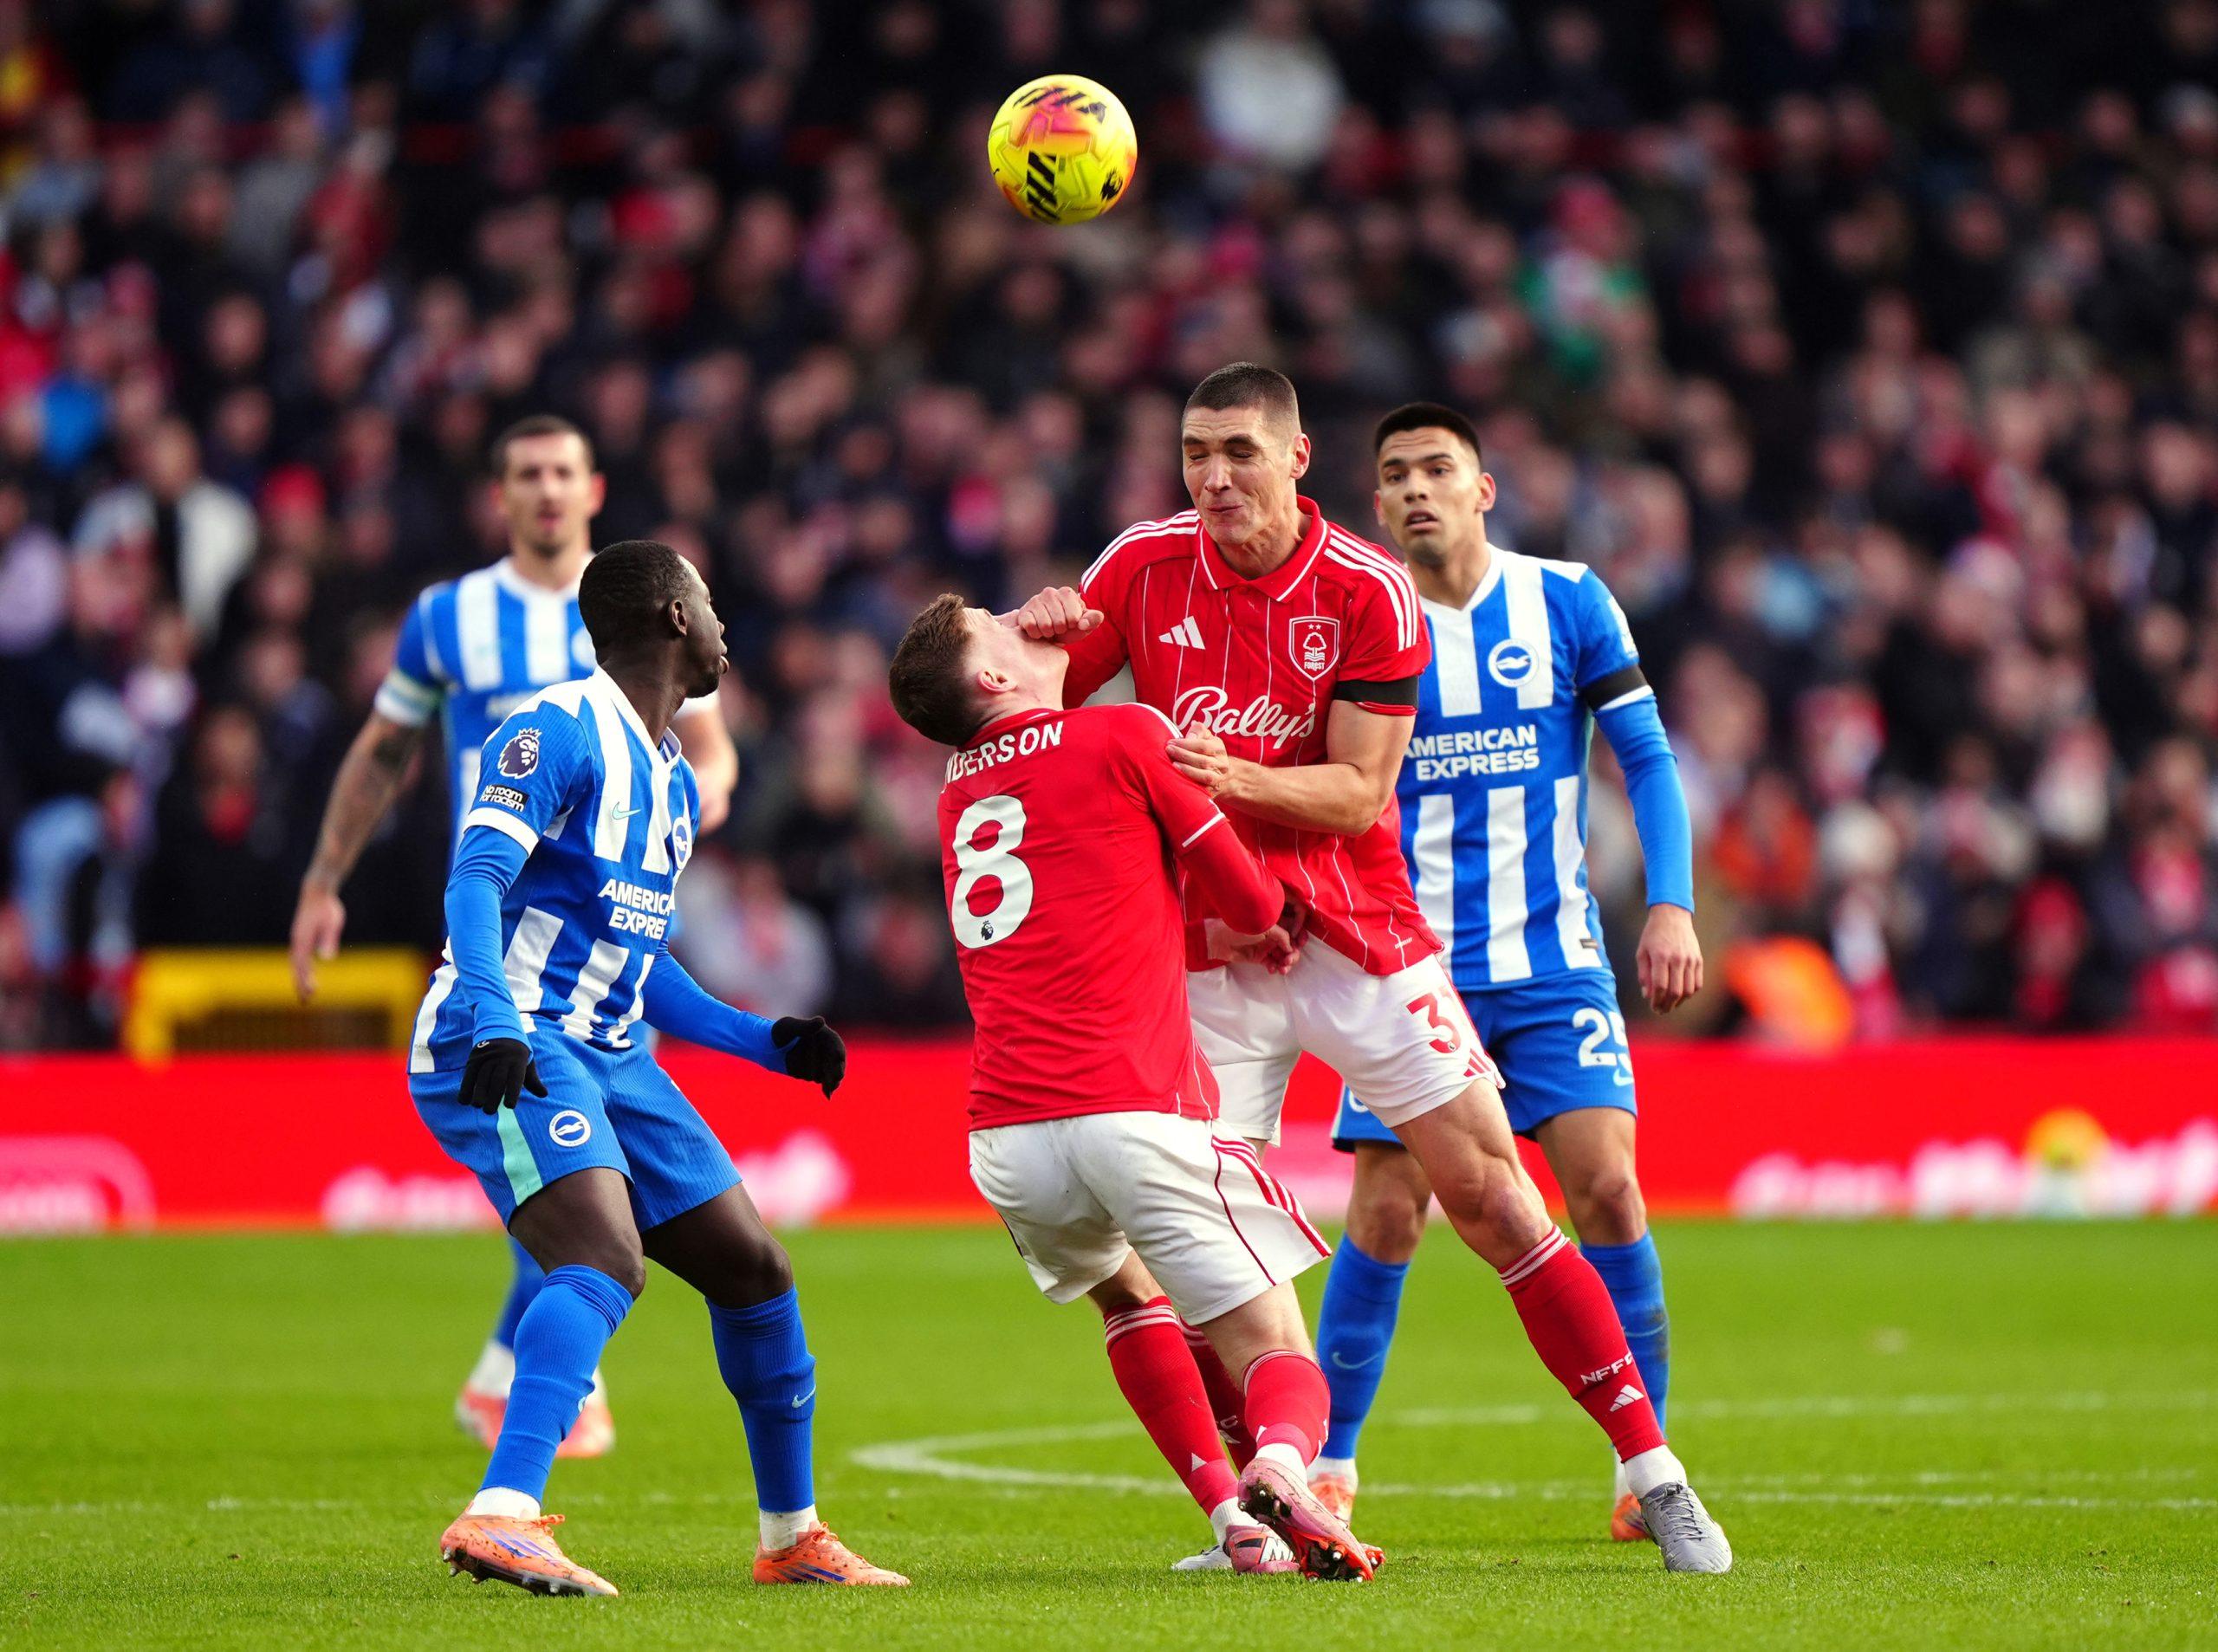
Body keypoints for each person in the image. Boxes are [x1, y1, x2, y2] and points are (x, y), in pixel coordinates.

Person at [1010, 364, 1730, 1572]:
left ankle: (1655, 1474)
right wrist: (1023, 639)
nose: (1214, 477)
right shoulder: (1138, 564)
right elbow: (1032, 709)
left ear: (1295, 459)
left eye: (1239, 451)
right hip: (1210, 954)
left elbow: (1356, 792)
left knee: (1498, 1196)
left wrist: (1222, 777)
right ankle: (1270, 1502)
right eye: (1195, 452)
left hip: (1354, 932)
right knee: (1199, 1254)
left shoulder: (1365, 588)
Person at [420, 540, 905, 1596]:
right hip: (509, 1033)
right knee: (602, 1253)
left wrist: (764, 1040)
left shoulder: (674, 779)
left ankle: (791, 1537)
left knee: (754, 1267)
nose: (727, 624)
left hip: (607, 1047)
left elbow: (643, 965)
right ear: (677, 615)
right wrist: (495, 1018)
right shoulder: (556, 728)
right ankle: (502, 1512)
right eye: (712, 601)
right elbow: (474, 880)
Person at [888, 591, 1372, 1581]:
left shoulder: (954, 791)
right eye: (997, 621)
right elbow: (1251, 901)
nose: (1022, 614)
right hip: (1130, 1104)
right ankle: (1283, 1470)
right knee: (1275, 1338)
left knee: (1128, 1297)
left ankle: (1233, 1524)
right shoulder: (1125, 733)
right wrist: (1258, 901)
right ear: (992, 674)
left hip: (1008, 1134)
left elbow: (1087, 876)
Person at [288, 414, 737, 1459]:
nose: (546, 489)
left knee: (579, 1148)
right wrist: (323, 877)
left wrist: (687, 806)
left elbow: (713, 750)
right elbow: (385, 747)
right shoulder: (449, 617)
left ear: (593, 488)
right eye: (527, 473)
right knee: (567, 1149)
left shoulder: (646, 600)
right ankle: (533, 1392)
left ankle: (511, 1376)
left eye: (563, 471)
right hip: (499, 917)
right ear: (500, 495)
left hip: (612, 933)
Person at [1309, 401, 1703, 1544]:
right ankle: (1331, 1464)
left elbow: (1646, 756)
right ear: (1376, 503)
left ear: (1483, 489)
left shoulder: (1566, 598)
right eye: (1396, 473)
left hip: (1551, 962)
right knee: (1389, 1208)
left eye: (1438, 468)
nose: (1416, 488)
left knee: (1609, 1189)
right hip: (1407, 965)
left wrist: (1670, 901)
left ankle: (1641, 1468)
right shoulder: (1357, 618)